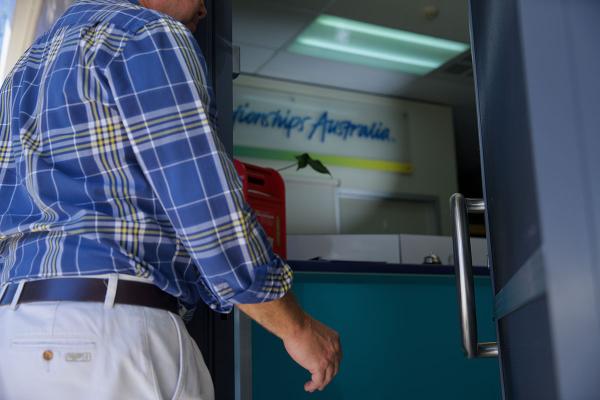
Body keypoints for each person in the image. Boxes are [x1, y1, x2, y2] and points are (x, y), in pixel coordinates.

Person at [0, 0, 342, 398]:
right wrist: (296, 327)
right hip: (116, 334)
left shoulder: (22, 71)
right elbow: (209, 212)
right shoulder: (149, 33)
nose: (205, 10)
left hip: (15, 332)